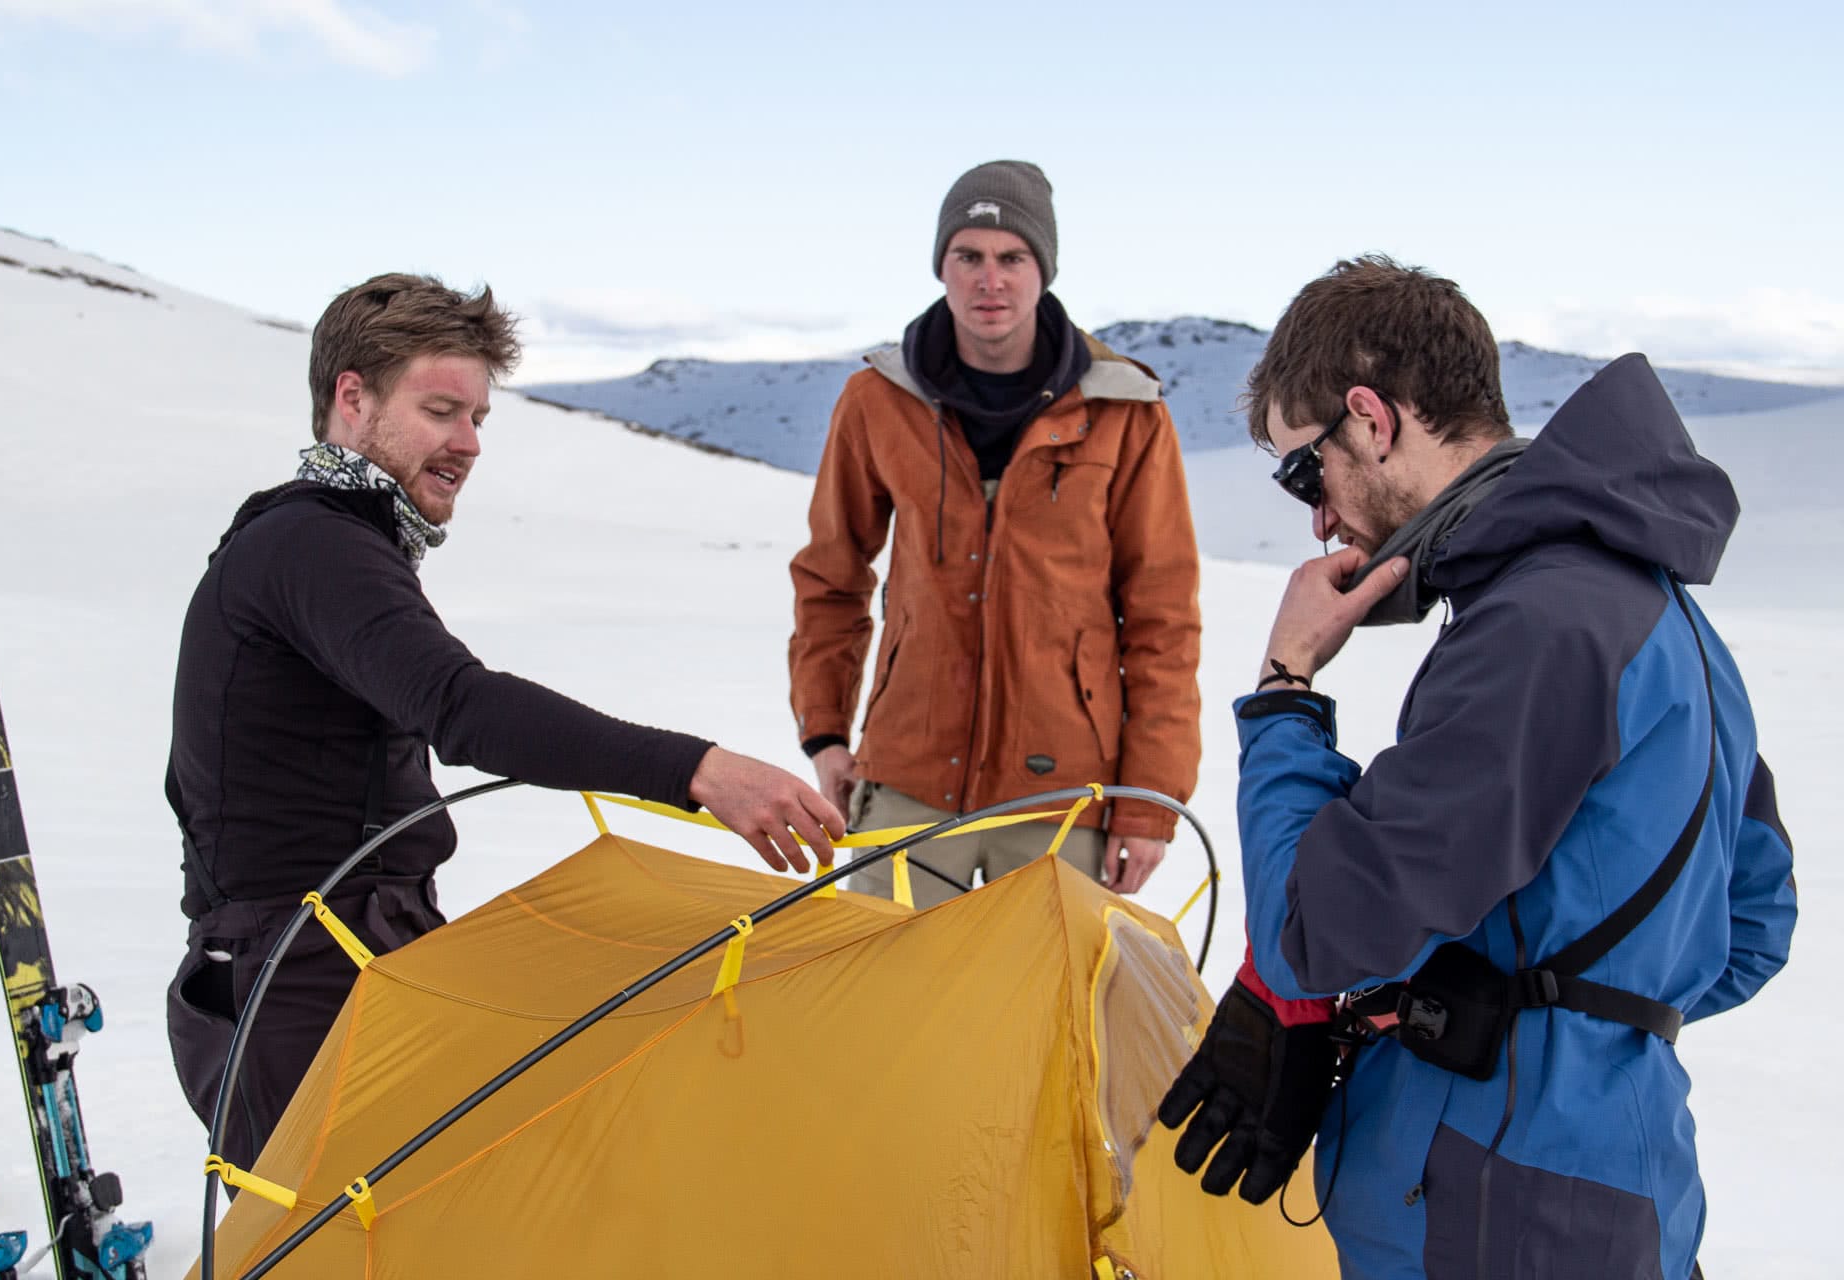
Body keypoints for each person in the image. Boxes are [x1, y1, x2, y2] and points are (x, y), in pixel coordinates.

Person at [1156, 256, 1796, 1279]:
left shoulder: (1536, 627)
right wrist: (1559, 1019)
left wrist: (1285, 687)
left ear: (1369, 419)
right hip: (1623, 1203)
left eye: (1302, 470)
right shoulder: (1664, 617)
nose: (1315, 519)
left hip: (1489, 1217)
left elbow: (1311, 929)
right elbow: (1751, 926)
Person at [166, 273, 844, 1168]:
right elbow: (461, 705)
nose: (469, 442)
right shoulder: (314, 545)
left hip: (351, 954)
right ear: (351, 398)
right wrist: (700, 770)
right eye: (442, 409)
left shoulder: (338, 540)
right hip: (296, 982)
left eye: (480, 416)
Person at [788, 160, 1201, 904]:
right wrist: (825, 733)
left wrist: (1146, 804)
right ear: (941, 266)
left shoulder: (1125, 410)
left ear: (1042, 271)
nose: (990, 280)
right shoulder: (877, 400)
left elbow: (1162, 619)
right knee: (887, 1004)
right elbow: (831, 577)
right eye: (968, 256)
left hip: (1062, 795)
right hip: (906, 778)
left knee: (1044, 1014)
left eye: (1012, 258)